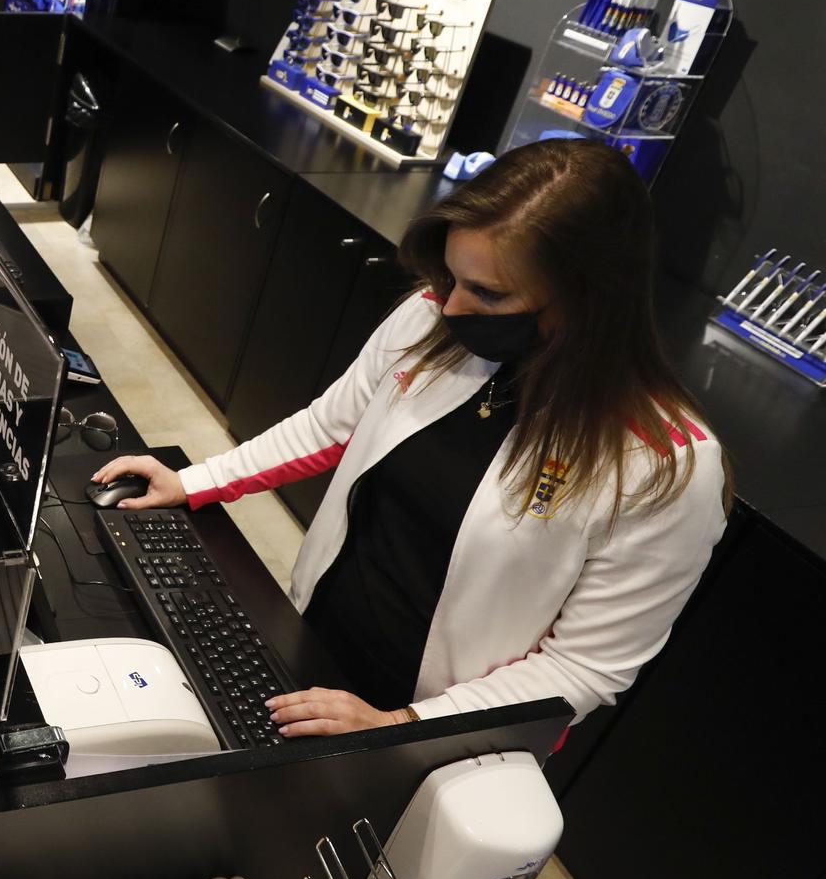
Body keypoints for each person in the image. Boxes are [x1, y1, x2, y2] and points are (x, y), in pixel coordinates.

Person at [92, 139, 728, 736]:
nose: (450, 308)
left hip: (445, 728)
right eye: (451, 277)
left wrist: (401, 727)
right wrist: (195, 481)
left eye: (488, 292)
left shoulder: (663, 464)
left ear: (588, 300)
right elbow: (329, 426)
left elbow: (584, 668)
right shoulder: (433, 314)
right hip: (314, 644)